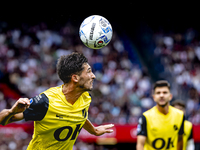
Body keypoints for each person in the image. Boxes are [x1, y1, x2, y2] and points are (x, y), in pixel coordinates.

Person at [0, 52, 114, 150]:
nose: (93, 76)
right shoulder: (45, 102)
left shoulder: (85, 97)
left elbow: (79, 115)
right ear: (75, 78)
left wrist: (93, 130)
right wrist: (11, 112)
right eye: (88, 71)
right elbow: (2, 121)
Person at [136, 80, 185, 150]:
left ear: (170, 96)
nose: (161, 95)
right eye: (158, 93)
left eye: (165, 92)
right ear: (154, 97)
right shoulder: (146, 117)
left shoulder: (180, 115)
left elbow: (180, 140)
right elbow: (140, 144)